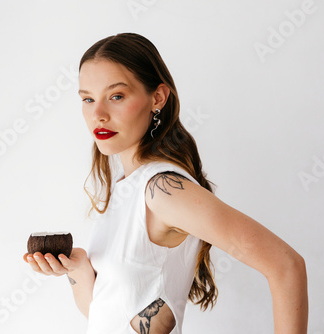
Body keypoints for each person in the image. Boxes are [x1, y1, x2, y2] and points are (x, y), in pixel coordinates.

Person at [23, 32, 308, 334]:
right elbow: (105, 316)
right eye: (88, 99)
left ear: (157, 98)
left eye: (116, 96)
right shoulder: (125, 187)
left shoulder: (163, 191)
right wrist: (78, 266)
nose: (98, 114)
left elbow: (286, 266)